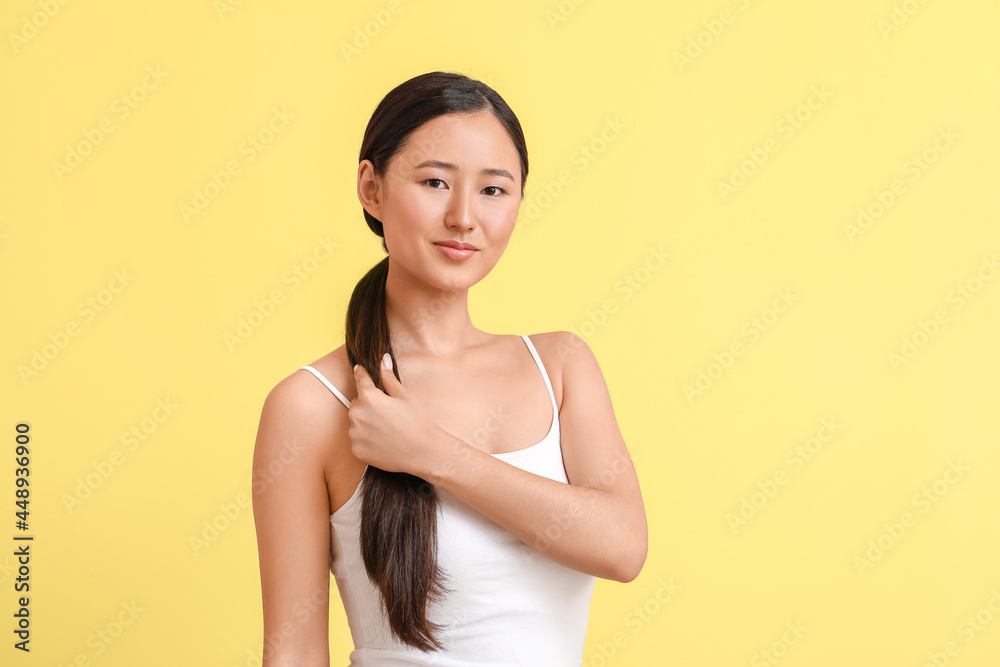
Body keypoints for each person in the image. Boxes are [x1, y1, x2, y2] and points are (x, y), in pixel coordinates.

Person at [252, 71, 647, 666]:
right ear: (372, 187)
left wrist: (431, 454)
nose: (464, 217)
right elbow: (294, 650)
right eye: (435, 181)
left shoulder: (561, 367)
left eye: (494, 190)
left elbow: (622, 548)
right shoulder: (313, 405)